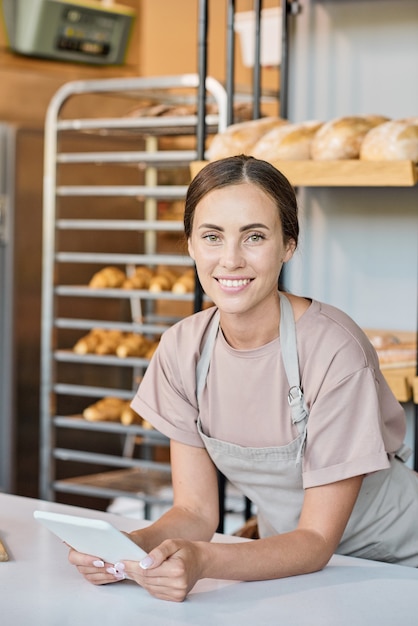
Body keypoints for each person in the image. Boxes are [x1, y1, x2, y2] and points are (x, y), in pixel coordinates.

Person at [69, 154, 418, 601]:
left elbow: (315, 540)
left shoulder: (333, 349)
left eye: (254, 236)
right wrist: (130, 549)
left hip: (395, 565)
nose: (230, 260)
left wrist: (204, 561)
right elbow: (195, 511)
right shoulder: (183, 349)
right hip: (290, 566)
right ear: (191, 245)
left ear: (288, 245)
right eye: (212, 237)